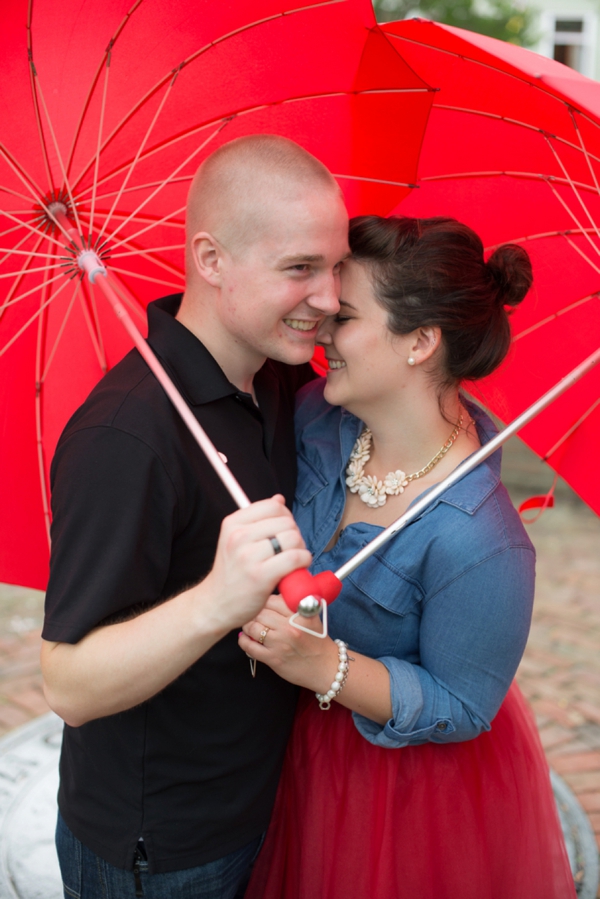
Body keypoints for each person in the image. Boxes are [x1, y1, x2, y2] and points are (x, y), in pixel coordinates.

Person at [40, 134, 350, 898]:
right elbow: (70, 684)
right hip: (164, 847)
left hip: (260, 797)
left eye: (336, 266)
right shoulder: (126, 436)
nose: (332, 298)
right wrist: (218, 597)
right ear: (211, 262)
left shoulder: (276, 380)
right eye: (300, 268)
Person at [240, 215, 576, 899]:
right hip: (291, 750)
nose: (322, 330)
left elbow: (461, 703)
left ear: (421, 342)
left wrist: (324, 664)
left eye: (347, 315)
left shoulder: (481, 538)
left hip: (409, 791)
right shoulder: (315, 420)